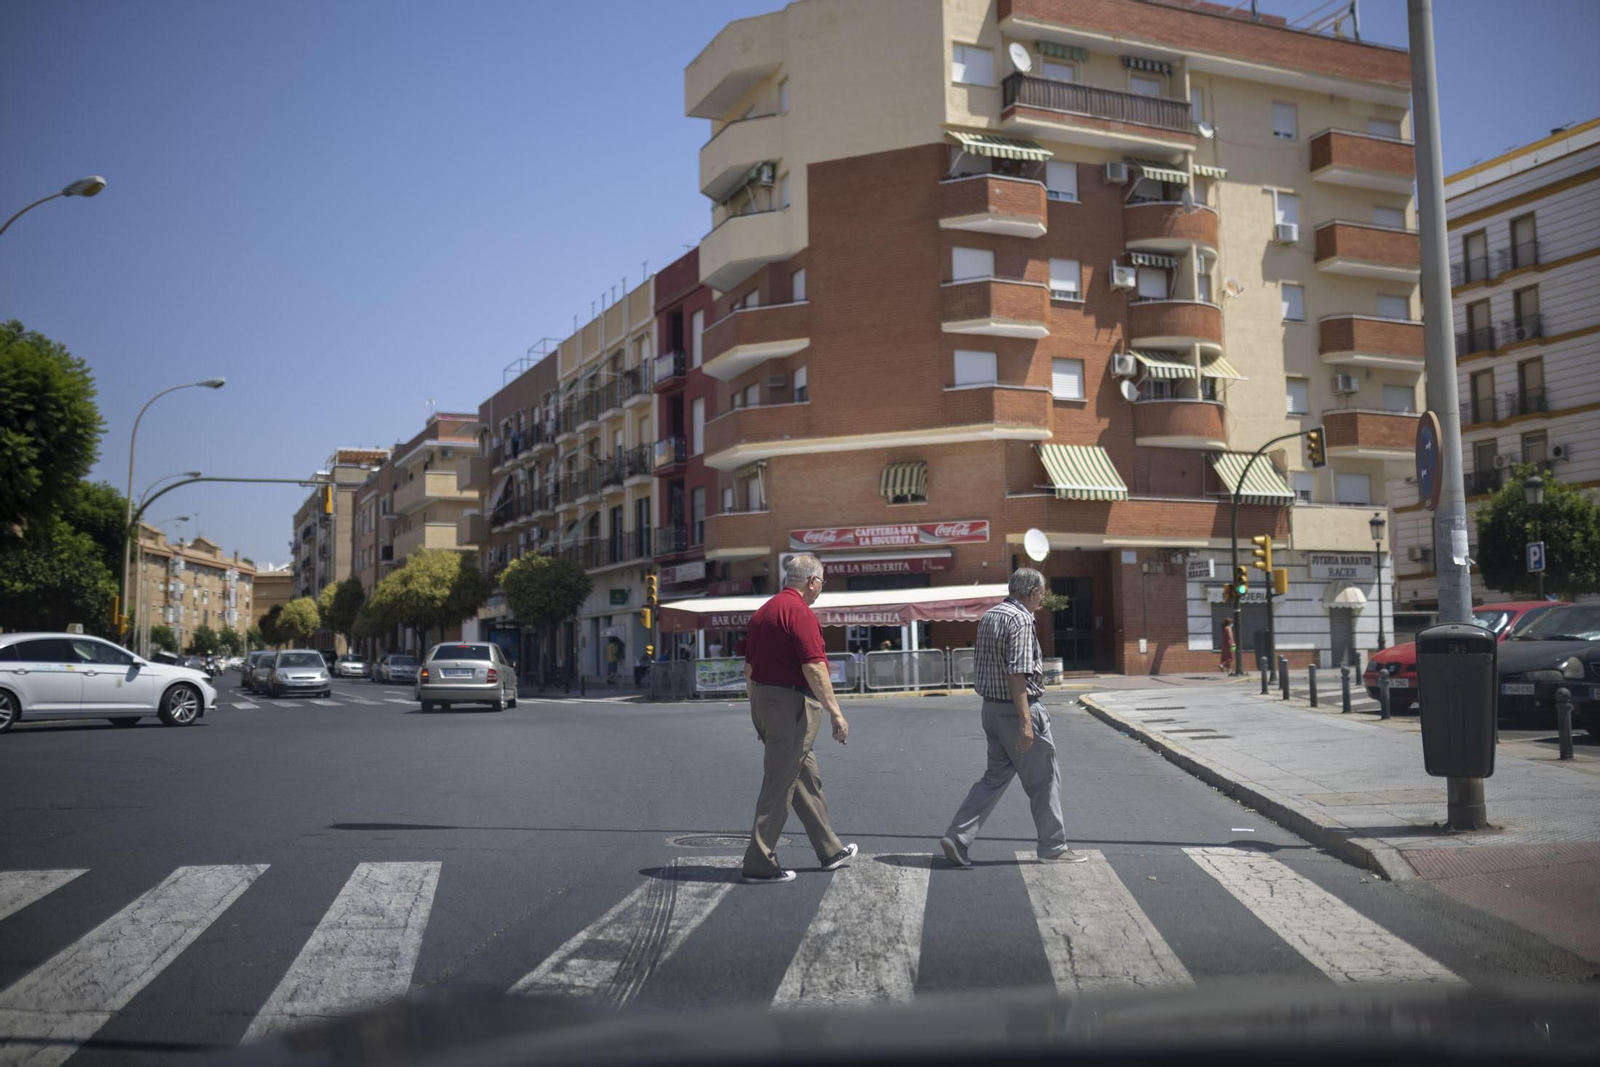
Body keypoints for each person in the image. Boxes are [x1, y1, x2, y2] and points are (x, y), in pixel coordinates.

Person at [938, 567, 1088, 868]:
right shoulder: (1021, 619)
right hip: (1017, 708)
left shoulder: (992, 615)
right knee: (1045, 780)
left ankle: (958, 837)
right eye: (1041, 594)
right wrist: (1025, 722)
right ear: (1033, 593)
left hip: (991, 710)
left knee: (994, 777)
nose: (1042, 600)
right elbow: (1016, 673)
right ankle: (1053, 847)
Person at [740, 552, 857, 884]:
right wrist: (837, 713)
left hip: (766, 700)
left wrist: (757, 710)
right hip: (791, 703)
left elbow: (748, 669)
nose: (821, 589)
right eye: (822, 584)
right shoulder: (800, 613)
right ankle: (759, 862)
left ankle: (829, 849)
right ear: (813, 581)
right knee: (779, 784)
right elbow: (814, 667)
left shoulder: (763, 612)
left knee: (805, 778)